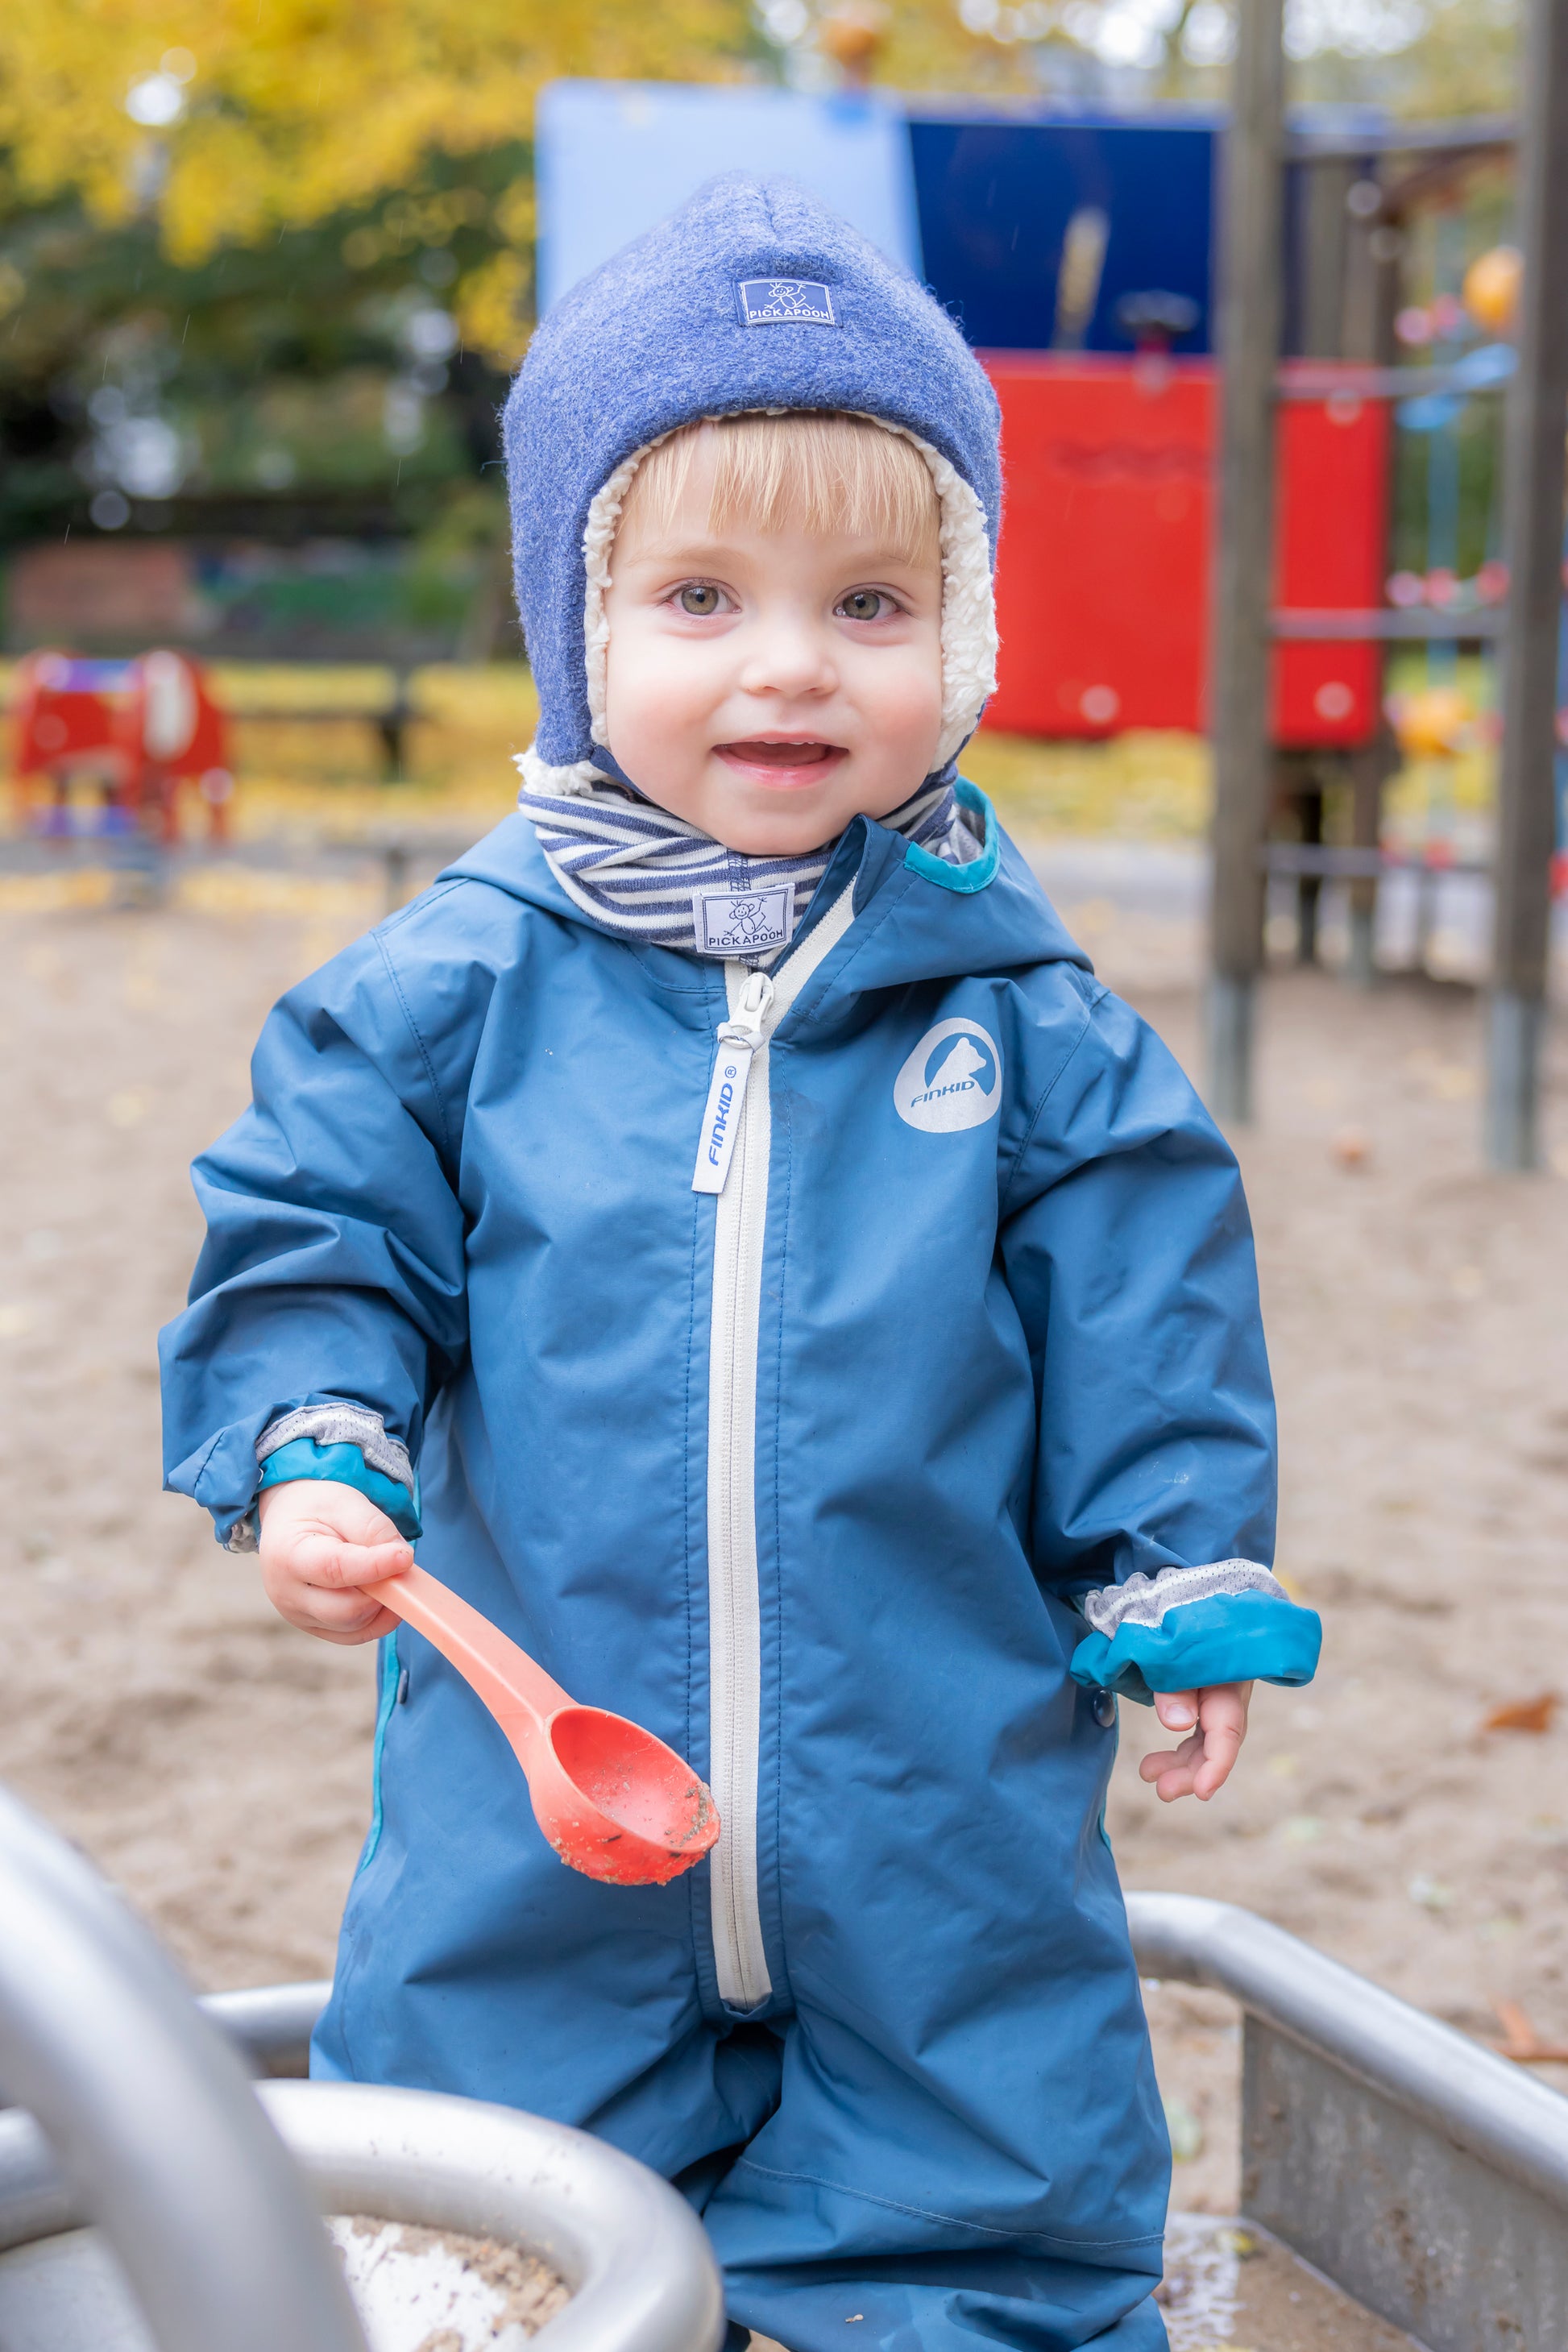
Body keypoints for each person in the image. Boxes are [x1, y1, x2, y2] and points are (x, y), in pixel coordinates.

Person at [160, 174, 1321, 2352]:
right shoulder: (450, 990)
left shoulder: (1024, 1014)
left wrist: (1170, 1569)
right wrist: (315, 1435)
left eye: (871, 605)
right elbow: (317, 1231)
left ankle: (941, 2291)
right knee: (488, 2190)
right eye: (697, 593)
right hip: (539, 1756)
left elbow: (1146, 1303)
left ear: (961, 640)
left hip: (930, 1757)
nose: (787, 662)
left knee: (986, 2139)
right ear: (573, 627)